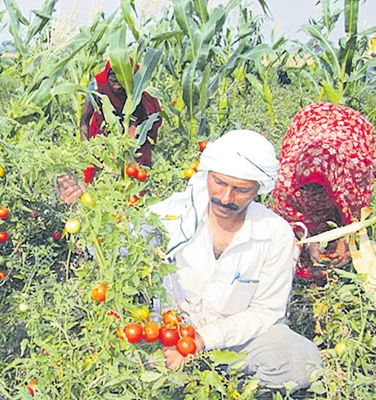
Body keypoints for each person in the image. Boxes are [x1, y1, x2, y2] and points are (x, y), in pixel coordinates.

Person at [149, 130, 322, 389]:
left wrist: (204, 339)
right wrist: (82, 208)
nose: (226, 198)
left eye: (241, 190)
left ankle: (234, 389)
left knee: (299, 364)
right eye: (219, 183)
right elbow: (116, 247)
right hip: (171, 332)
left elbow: (266, 311)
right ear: (207, 175)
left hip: (239, 340)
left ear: (259, 189)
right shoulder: (172, 216)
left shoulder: (275, 234)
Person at [272, 102, 375, 281]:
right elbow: (285, 217)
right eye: (308, 189)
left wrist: (345, 240)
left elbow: (354, 211)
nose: (314, 195)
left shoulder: (353, 171)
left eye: (321, 189)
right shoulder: (286, 179)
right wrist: (307, 241)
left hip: (348, 128)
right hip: (311, 121)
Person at [58, 61, 162, 204]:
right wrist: (87, 148)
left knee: (134, 174)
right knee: (96, 173)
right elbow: (84, 120)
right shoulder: (97, 85)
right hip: (104, 128)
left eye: (121, 81)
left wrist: (125, 155)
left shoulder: (137, 88)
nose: (117, 86)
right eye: (113, 81)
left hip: (134, 130)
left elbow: (136, 124)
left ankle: (136, 201)